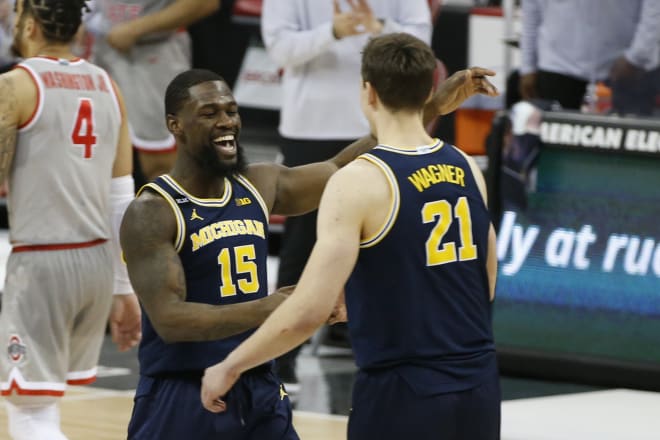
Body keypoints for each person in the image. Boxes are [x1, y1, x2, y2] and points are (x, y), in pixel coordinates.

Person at [120, 64, 497, 438]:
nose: (226, 122)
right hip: (181, 392)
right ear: (175, 125)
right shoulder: (153, 210)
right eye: (209, 113)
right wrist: (274, 306)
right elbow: (170, 319)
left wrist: (425, 110)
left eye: (231, 111)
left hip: (257, 384)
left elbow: (340, 166)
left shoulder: (259, 182)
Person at [261, 0, 433, 389]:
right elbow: (278, 48)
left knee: (383, 238)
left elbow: (422, 46)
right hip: (310, 125)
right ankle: (282, 357)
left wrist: (379, 29)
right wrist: (332, 32)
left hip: (380, 122)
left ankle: (377, 349)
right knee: (301, 246)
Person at [0, 1, 141, 439]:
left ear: (30, 22)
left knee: (30, 412)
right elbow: (123, 197)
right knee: (42, 402)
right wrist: (124, 287)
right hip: (96, 264)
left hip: (42, 263)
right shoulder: (107, 85)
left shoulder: (15, 86)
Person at [85, 0, 220, 186]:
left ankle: (177, 213)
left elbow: (205, 3)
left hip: (153, 52)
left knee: (160, 164)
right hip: (98, 50)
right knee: (91, 154)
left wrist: (136, 29)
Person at [519, 0, 660, 115]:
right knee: (554, 144)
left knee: (632, 142)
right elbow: (531, 11)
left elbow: (654, 8)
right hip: (558, 66)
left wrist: (637, 56)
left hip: (629, 66)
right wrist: (528, 66)